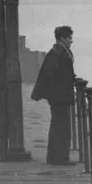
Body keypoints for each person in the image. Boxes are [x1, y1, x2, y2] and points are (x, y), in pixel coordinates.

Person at [31, 25, 76, 165]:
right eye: (69, 38)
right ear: (62, 38)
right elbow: (49, 76)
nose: (71, 41)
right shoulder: (56, 53)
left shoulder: (60, 51)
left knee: (61, 126)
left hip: (61, 96)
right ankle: (59, 158)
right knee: (60, 127)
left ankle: (58, 157)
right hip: (59, 97)